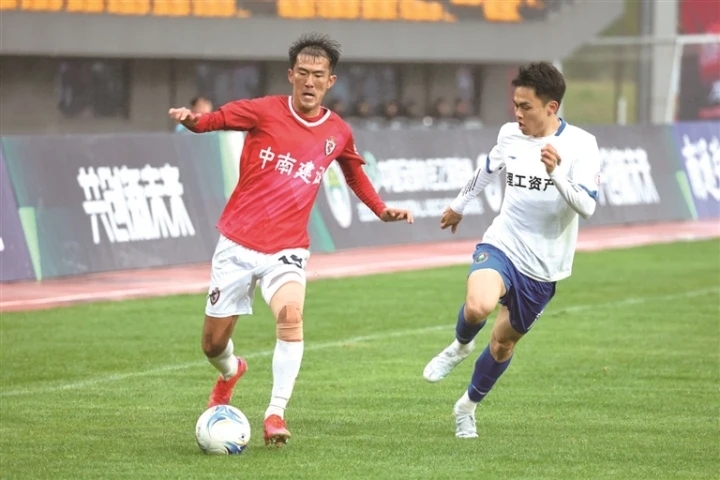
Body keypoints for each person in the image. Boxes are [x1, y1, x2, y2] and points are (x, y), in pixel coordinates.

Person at [168, 33, 413, 448]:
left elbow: (354, 173)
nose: (309, 81)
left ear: (330, 81)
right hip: (237, 243)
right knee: (212, 344)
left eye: (318, 75)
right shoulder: (264, 110)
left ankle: (275, 413)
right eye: (303, 73)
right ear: (291, 75)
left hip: (287, 249)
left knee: (290, 316)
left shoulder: (337, 131)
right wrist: (193, 121)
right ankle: (231, 371)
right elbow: (217, 120)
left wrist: (380, 209)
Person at [422, 62, 601, 438]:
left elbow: (587, 206)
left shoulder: (582, 145)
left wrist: (556, 174)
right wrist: (458, 205)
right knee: (478, 306)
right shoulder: (509, 135)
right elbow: (487, 170)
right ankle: (460, 346)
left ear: (551, 107)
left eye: (526, 107)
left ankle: (466, 407)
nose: (517, 113)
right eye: (515, 105)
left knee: (502, 344)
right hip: (503, 242)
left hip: (544, 266)